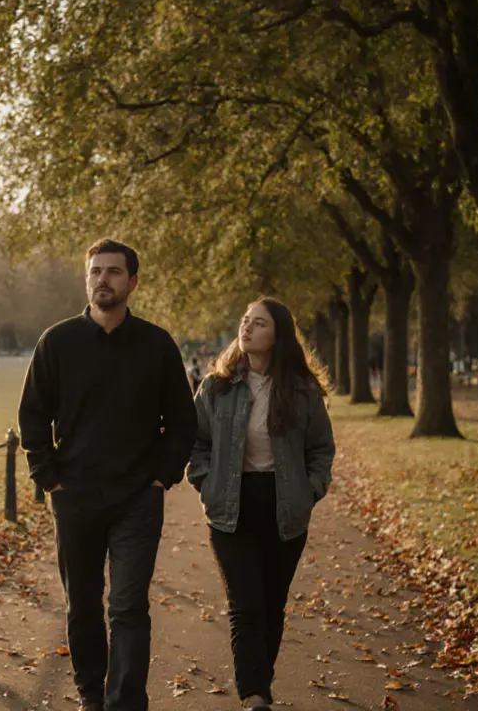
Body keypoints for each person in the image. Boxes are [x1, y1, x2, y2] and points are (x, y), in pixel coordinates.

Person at [19, 238, 196, 711]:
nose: (103, 279)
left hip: (138, 496)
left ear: (132, 282)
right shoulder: (57, 341)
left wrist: (162, 475)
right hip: (74, 496)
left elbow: (182, 421)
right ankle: (90, 697)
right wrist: (48, 477)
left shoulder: (157, 345)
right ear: (87, 279)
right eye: (95, 271)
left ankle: (124, 703)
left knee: (127, 607)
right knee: (83, 607)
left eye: (114, 272)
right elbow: (32, 417)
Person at [187, 298, 335, 711]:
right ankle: (254, 696)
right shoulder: (216, 387)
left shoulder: (302, 390)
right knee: (245, 604)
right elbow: (196, 443)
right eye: (245, 321)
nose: (247, 329)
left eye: (259, 323)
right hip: (230, 508)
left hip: (285, 507)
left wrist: (310, 489)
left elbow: (321, 449)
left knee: (271, 605)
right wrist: (205, 483)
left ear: (278, 335)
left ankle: (259, 687)